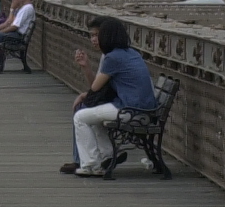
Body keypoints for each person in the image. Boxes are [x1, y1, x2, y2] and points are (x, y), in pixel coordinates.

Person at [61, 18, 157, 178]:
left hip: (130, 110)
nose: (96, 39)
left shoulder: (112, 58)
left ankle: (91, 165)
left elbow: (95, 89)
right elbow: (98, 89)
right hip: (144, 109)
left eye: (99, 35)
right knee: (93, 117)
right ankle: (108, 156)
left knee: (80, 117)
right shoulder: (131, 53)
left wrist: (84, 94)